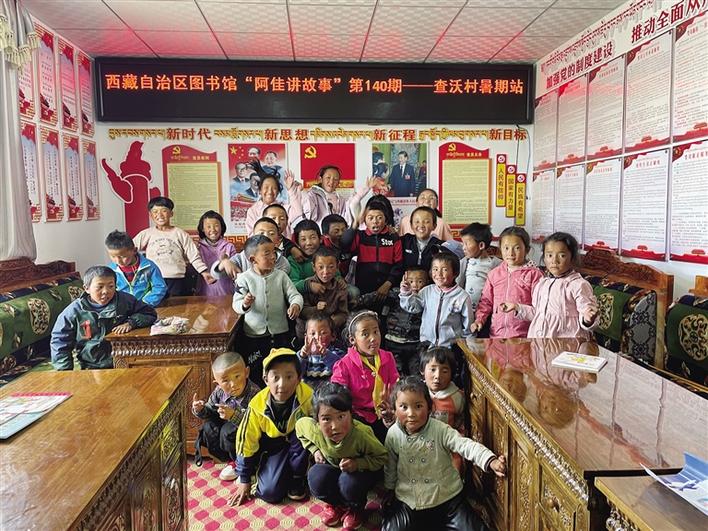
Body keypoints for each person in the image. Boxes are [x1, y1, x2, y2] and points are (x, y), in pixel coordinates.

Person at [382, 376, 506, 531]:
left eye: (418, 406)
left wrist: (490, 460)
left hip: (448, 498)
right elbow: (390, 464)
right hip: (411, 501)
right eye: (403, 407)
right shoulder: (393, 434)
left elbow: (465, 445)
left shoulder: (440, 430)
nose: (411, 413)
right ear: (395, 410)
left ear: (429, 408)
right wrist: (389, 488)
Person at [296, 383, 387, 529]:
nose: (335, 426)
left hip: (358, 473)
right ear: (317, 420)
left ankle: (355, 509)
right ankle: (336, 505)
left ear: (351, 415)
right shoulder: (314, 430)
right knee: (316, 477)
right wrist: (314, 450)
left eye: (341, 416)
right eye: (326, 419)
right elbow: (299, 427)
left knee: (349, 484)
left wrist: (357, 464)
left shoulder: (361, 435)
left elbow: (382, 457)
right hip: (332, 467)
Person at [229, 348, 313, 505]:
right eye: (275, 377)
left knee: (304, 428)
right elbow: (246, 441)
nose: (282, 384)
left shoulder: (308, 397)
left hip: (300, 445)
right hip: (274, 447)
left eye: (289, 377)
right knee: (269, 493)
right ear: (266, 379)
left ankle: (298, 476)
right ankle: (274, 470)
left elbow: (320, 426)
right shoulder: (257, 406)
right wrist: (244, 478)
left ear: (298, 378)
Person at [50, 266, 157, 370]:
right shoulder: (74, 311)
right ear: (86, 288)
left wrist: (131, 323)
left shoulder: (124, 300)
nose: (106, 291)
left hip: (124, 360)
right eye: (100, 287)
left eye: (111, 286)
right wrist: (64, 372)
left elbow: (149, 313)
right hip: (91, 365)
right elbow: (60, 341)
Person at [499, 232, 599, 340]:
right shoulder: (542, 283)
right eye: (549, 255)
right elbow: (536, 313)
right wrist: (517, 307)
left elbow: (587, 313)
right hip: (540, 342)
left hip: (567, 343)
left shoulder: (578, 285)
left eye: (562, 255)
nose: (554, 261)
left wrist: (588, 319)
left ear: (572, 258)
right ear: (544, 258)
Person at [232, 235, 303, 383]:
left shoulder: (281, 276)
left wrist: (295, 304)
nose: (273, 257)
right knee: (257, 370)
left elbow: (295, 295)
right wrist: (245, 304)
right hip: (254, 336)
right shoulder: (244, 278)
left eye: (273, 252)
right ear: (253, 259)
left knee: (280, 367)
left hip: (279, 333)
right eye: (267, 254)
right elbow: (236, 304)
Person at [331, 310, 399, 443]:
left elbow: (395, 387)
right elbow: (338, 396)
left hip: (387, 413)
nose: (373, 338)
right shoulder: (344, 365)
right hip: (358, 418)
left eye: (376, 331)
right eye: (365, 334)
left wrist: (391, 408)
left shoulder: (387, 357)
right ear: (352, 339)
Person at [192, 351, 260, 481]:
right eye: (225, 381)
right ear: (217, 383)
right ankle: (231, 460)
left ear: (246, 372)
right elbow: (210, 410)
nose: (233, 384)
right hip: (228, 435)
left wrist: (233, 415)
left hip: (250, 437)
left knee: (228, 431)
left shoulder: (255, 393)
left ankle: (247, 467)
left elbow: (255, 424)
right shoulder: (219, 392)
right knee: (208, 428)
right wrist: (199, 409)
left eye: (237, 376)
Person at [133, 196, 214, 297]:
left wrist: (204, 272)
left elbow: (193, 254)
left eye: (164, 211)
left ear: (171, 213)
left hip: (176, 279)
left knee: (176, 305)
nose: (159, 215)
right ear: (150, 215)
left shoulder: (180, 234)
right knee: (155, 304)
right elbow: (129, 250)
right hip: (154, 279)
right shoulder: (146, 234)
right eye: (155, 212)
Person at [471, 227, 543, 338]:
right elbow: (486, 302)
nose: (511, 253)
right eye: (506, 248)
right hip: (497, 335)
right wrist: (479, 320)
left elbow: (540, 308)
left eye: (517, 248)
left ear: (527, 250)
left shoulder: (535, 275)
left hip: (524, 337)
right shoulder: (494, 274)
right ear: (500, 249)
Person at [341, 202, 403, 305]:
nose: (375, 221)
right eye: (370, 218)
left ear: (386, 220)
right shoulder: (360, 236)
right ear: (365, 221)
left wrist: (388, 284)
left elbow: (399, 264)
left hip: (387, 288)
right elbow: (344, 244)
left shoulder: (393, 238)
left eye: (379, 218)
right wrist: (355, 225)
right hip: (364, 288)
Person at [420, 347, 465, 472]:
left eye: (444, 371)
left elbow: (461, 424)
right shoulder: (417, 393)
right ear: (422, 370)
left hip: (446, 447)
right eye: (432, 369)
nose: (437, 376)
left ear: (452, 374)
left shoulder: (457, 397)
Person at [211, 217, 291, 280]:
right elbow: (216, 275)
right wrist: (224, 263)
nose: (266, 236)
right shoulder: (241, 258)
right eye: (261, 233)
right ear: (252, 236)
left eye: (271, 233)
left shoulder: (282, 262)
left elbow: (280, 285)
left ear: (278, 239)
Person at [384, 266, 429, 376]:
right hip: (394, 342)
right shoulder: (395, 294)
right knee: (396, 374)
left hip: (415, 344)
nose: (414, 285)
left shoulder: (428, 298)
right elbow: (381, 303)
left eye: (419, 281)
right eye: (411, 281)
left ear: (427, 283)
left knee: (417, 374)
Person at [105, 229, 167, 307]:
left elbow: (160, 287)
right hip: (121, 308)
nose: (118, 261)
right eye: (113, 256)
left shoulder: (149, 267)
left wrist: (145, 304)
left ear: (134, 250)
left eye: (123, 256)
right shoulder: (110, 270)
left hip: (145, 307)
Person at [297, 247, 348, 338]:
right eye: (320, 267)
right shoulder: (308, 285)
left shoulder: (340, 287)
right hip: (308, 334)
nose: (326, 272)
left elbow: (343, 313)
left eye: (331, 267)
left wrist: (331, 322)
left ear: (337, 266)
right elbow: (301, 312)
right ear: (313, 267)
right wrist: (316, 309)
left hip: (330, 332)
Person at [301, 165, 374, 227]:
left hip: (337, 235)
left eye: (335, 179)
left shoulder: (340, 199)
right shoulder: (312, 195)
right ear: (320, 179)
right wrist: (303, 193)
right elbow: (310, 217)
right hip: (320, 236)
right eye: (328, 177)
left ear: (338, 182)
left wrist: (360, 194)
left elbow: (348, 218)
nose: (331, 182)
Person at [244, 161, 303, 237]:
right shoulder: (253, 211)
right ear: (260, 190)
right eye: (266, 187)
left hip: (284, 244)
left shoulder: (283, 207)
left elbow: (298, 211)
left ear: (278, 192)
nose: (270, 191)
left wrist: (291, 189)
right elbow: (251, 235)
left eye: (274, 188)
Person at [456, 222, 502, 312]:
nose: (463, 248)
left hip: (487, 311)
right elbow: (458, 284)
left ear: (481, 245)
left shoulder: (496, 264)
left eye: (466, 244)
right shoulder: (464, 262)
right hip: (466, 310)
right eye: (463, 244)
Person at [296, 314, 346, 392]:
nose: (317, 337)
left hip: (330, 394)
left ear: (333, 336)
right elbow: (295, 373)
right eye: (312, 334)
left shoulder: (337, 354)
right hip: (307, 394)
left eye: (323, 333)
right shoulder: (302, 355)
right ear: (306, 337)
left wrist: (326, 354)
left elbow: (342, 370)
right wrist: (302, 356)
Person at [195, 210, 237, 297]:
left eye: (216, 226)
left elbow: (235, 268)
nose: (213, 230)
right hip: (204, 294)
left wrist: (226, 260)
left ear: (222, 227)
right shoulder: (197, 247)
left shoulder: (229, 246)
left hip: (226, 293)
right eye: (208, 226)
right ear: (202, 229)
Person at [400, 206, 442, 270]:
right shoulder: (404, 241)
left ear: (434, 226)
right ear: (411, 225)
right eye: (417, 221)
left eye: (426, 222)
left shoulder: (440, 246)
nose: (421, 225)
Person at [288, 219, 324, 292]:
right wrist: (309, 285)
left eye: (313, 238)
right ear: (297, 243)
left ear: (320, 239)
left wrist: (340, 280)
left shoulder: (326, 255)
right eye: (303, 239)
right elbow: (291, 283)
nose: (308, 243)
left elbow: (336, 275)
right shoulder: (293, 260)